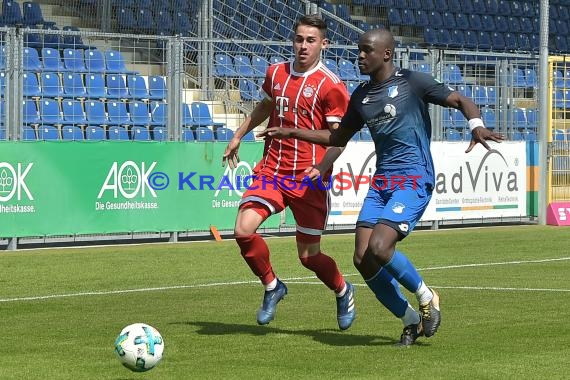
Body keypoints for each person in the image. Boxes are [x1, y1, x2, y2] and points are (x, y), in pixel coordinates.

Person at [259, 28, 504, 346]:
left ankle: (427, 296)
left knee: (380, 247)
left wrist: (476, 125)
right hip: (382, 182)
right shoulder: (361, 96)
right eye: (359, 50)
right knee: (362, 257)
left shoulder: (412, 82)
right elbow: (337, 138)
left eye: (366, 51)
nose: (359, 56)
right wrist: (292, 132)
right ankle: (410, 320)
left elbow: (459, 99)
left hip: (414, 177)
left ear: (386, 54)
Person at [222, 15, 356, 330]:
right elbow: (266, 106)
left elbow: (340, 140)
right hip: (272, 170)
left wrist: (322, 167)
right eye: (299, 39)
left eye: (311, 40)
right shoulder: (276, 72)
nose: (303, 46)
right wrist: (239, 134)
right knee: (243, 230)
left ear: (324, 44)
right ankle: (272, 286)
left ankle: (342, 289)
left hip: (310, 179)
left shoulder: (331, 86)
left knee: (309, 258)